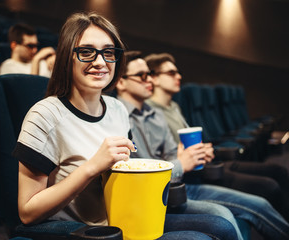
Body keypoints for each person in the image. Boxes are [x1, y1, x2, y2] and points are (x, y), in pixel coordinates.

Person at [12, 12, 238, 240]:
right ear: (66, 57)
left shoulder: (117, 109)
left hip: (130, 217)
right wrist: (92, 168)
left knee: (222, 226)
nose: (100, 62)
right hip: (92, 234)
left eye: (108, 53)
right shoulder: (45, 115)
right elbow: (28, 213)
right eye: (87, 51)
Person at [115, 50, 289, 240]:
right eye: (142, 75)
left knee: (258, 203)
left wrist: (190, 155)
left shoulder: (155, 115)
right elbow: (136, 179)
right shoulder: (117, 117)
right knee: (223, 218)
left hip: (180, 184)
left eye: (149, 74)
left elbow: (174, 153)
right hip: (155, 197)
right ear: (121, 82)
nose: (149, 79)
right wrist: (181, 162)